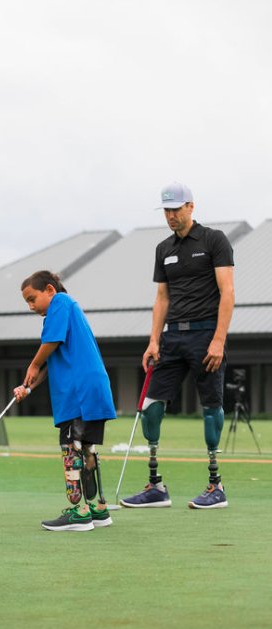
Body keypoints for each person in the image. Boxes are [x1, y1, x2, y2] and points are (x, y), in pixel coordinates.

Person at [121, 182, 235, 510]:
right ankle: (156, 487)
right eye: (166, 210)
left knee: (211, 408)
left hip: (205, 335)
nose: (171, 216)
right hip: (172, 338)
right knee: (151, 407)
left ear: (191, 207)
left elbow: (227, 292)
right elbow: (162, 298)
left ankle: (216, 486)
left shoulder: (214, 240)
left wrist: (218, 339)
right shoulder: (163, 249)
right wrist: (154, 340)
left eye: (176, 209)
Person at [13, 271, 117, 531]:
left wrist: (33, 364)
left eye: (32, 299)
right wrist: (28, 386)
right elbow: (53, 360)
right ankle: (98, 509)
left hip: (78, 391)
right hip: (92, 388)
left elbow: (50, 345)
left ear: (49, 289)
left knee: (71, 445)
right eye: (26, 302)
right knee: (88, 447)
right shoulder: (69, 310)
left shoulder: (60, 302)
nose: (31, 306)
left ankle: (79, 512)